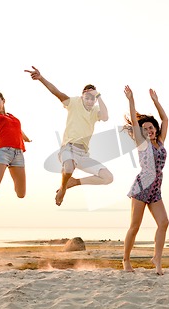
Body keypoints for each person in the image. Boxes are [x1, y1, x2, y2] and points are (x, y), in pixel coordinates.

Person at [24, 66, 113, 206]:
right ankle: (63, 188)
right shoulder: (74, 103)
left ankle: (74, 182)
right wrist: (41, 78)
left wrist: (99, 96)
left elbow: (106, 117)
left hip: (83, 154)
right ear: (82, 95)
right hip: (68, 149)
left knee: (108, 178)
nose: (90, 100)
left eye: (93, 98)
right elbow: (56, 92)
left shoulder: (96, 111)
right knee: (69, 168)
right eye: (88, 97)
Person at [122, 85, 169, 275]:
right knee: (135, 226)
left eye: (151, 127)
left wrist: (156, 101)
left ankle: (157, 259)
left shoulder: (161, 142)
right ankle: (126, 260)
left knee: (164, 223)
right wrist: (131, 99)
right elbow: (134, 121)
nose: (148, 130)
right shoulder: (142, 143)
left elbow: (165, 119)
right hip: (142, 188)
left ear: (155, 129)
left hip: (156, 189)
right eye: (145, 128)